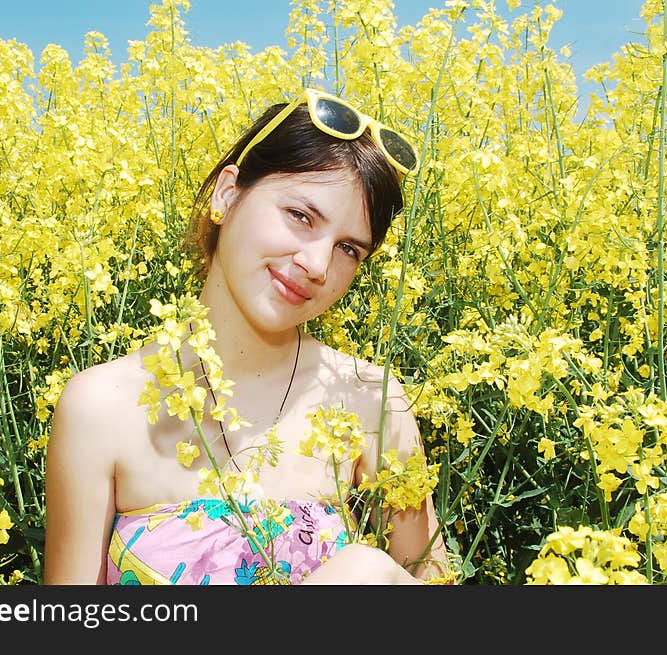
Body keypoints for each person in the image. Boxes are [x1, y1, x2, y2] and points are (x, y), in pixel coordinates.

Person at [43, 87, 451, 585]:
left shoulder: (372, 399)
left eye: (349, 249)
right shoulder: (101, 405)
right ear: (227, 193)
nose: (317, 266)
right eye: (301, 216)